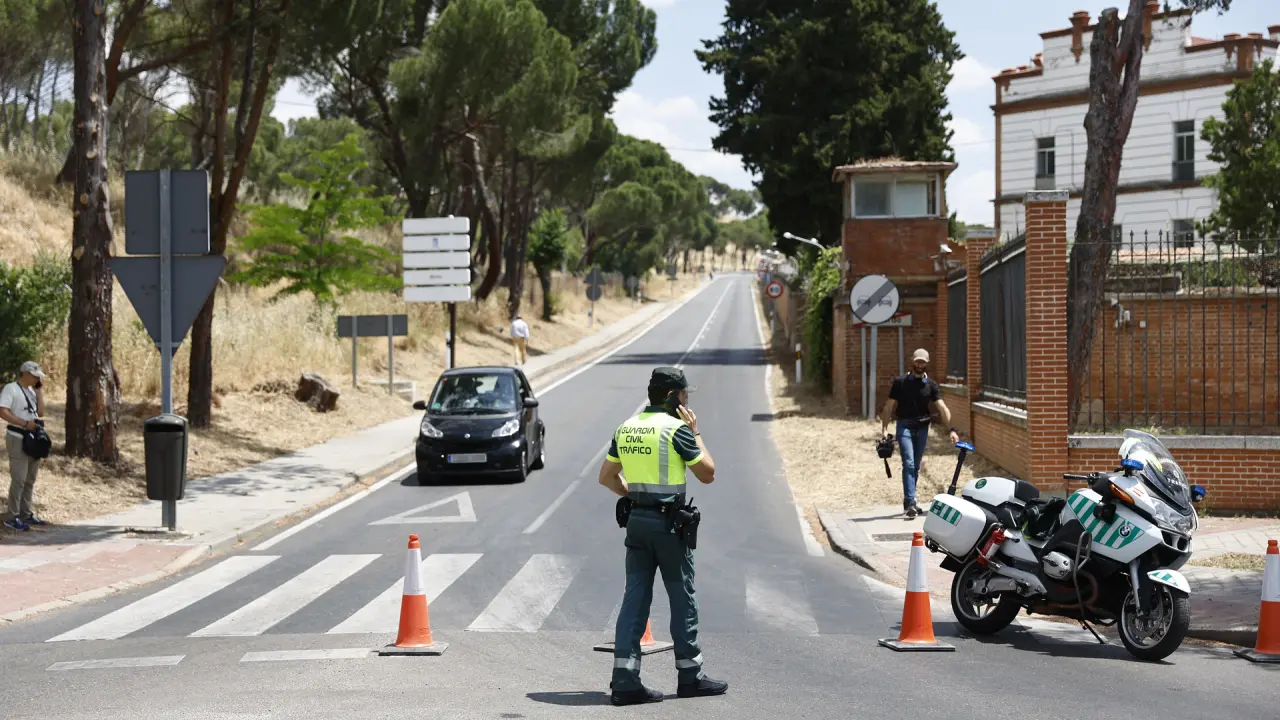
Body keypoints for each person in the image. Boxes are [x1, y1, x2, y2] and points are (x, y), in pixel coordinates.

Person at [597, 367, 727, 706]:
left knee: (635, 598)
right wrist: (695, 433)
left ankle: (625, 681)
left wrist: (631, 494)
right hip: (669, 527)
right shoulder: (676, 429)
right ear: (672, 397)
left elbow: (606, 477)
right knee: (682, 598)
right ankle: (690, 676)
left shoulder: (626, 427)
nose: (687, 401)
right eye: (684, 395)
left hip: (637, 523)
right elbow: (708, 474)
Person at [879, 349, 959, 518]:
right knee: (908, 463)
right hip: (904, 426)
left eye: (923, 362)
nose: (920, 364)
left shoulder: (931, 385)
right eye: (917, 361)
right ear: (912, 361)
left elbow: (943, 408)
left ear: (927, 363)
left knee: (915, 465)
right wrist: (885, 430)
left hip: (922, 428)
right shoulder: (900, 382)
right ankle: (911, 502)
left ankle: (909, 500)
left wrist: (951, 429)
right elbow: (888, 407)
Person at [1, 361, 49, 531]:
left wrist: (39, 392)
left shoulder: (31, 391)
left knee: (30, 479)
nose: (37, 379)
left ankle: (25, 513)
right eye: (35, 376)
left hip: (32, 438)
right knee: (19, 479)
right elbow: (3, 411)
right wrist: (24, 423)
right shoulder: (11, 389)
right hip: (17, 437)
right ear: (26, 374)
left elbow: (40, 412)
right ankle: (12, 516)